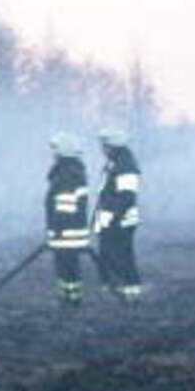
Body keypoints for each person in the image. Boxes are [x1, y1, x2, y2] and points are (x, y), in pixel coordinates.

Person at [93, 128, 144, 302]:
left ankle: (131, 292)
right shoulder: (114, 163)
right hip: (111, 221)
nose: (102, 149)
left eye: (105, 146)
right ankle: (120, 291)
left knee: (121, 256)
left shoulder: (126, 166)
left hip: (120, 222)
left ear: (114, 146)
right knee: (110, 256)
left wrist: (114, 219)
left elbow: (127, 197)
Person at [44, 132, 92, 307]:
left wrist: (57, 229)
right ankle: (68, 297)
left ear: (63, 151)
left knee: (67, 266)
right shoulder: (71, 171)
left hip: (67, 232)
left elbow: (64, 205)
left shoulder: (67, 173)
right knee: (65, 266)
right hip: (67, 231)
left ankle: (72, 299)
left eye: (55, 150)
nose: (53, 153)